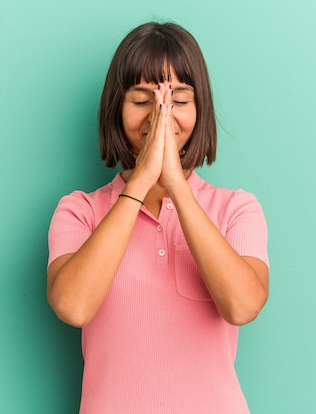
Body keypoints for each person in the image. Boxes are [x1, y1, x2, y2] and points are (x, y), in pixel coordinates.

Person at [47, 22, 269, 414]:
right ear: (117, 108)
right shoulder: (79, 211)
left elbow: (242, 307)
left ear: (200, 111)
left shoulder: (237, 208)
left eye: (178, 100)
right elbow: (73, 307)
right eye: (142, 99)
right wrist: (142, 182)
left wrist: (177, 188)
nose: (161, 116)